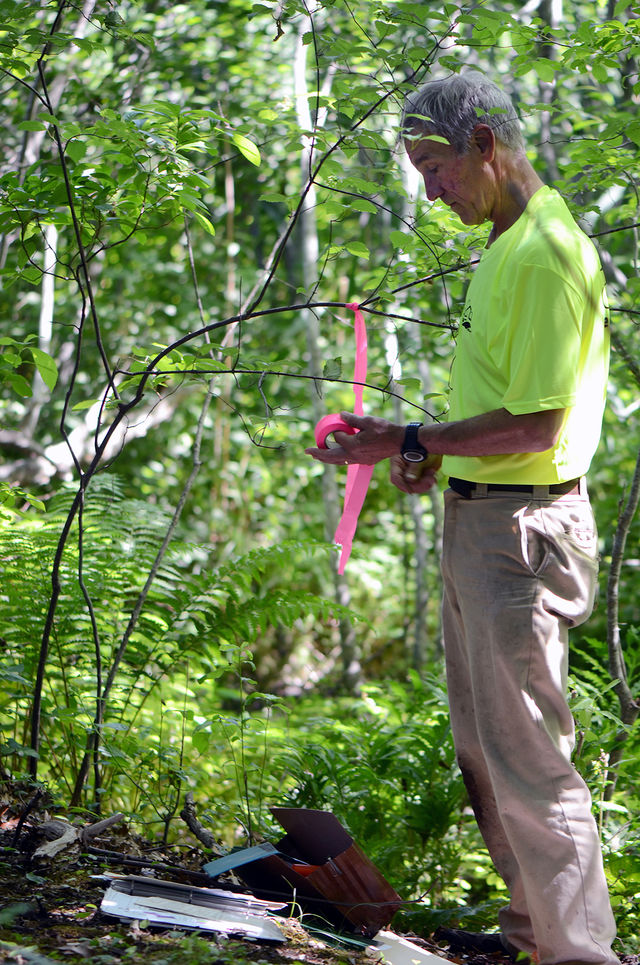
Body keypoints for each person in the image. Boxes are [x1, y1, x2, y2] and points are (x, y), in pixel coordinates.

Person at [305, 71, 618, 965]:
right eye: (418, 170)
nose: (431, 190)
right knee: (485, 750)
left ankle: (580, 954)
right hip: (481, 519)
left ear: (487, 143)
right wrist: (428, 451)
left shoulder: (549, 254)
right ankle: (534, 935)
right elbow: (505, 410)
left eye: (436, 167)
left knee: (530, 759)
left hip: (524, 533)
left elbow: (542, 422)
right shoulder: (505, 242)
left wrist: (407, 432)